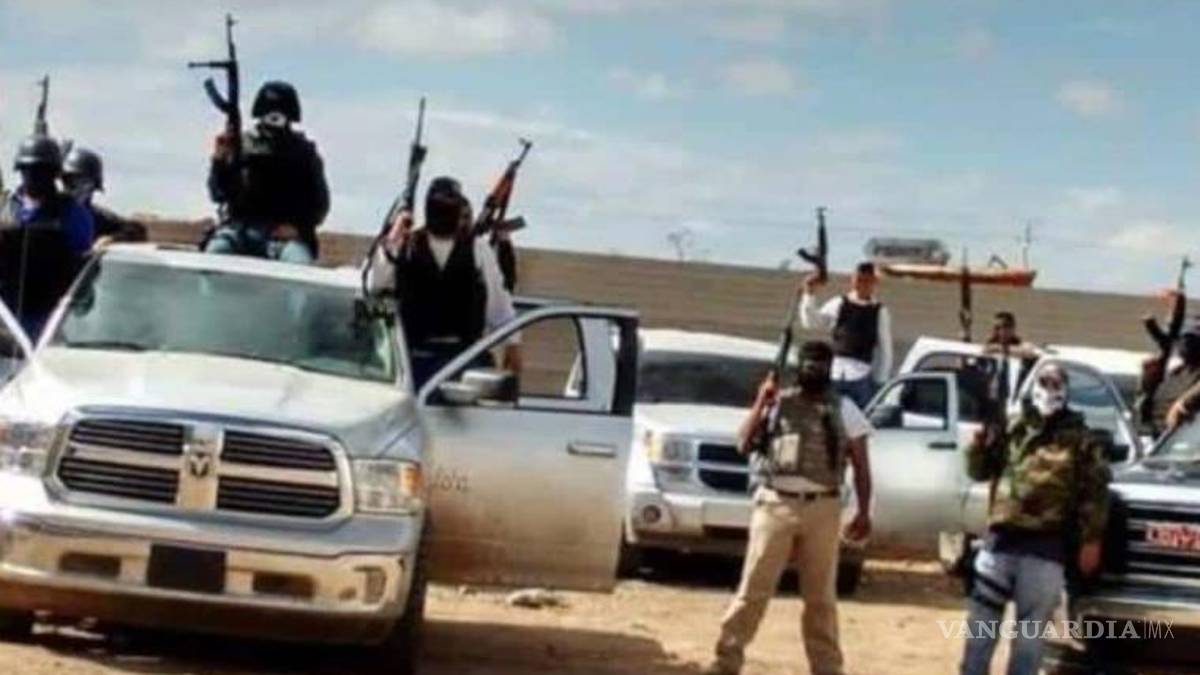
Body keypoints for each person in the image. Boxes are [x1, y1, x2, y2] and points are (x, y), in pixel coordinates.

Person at [705, 340, 873, 675]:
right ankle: (726, 661)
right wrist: (761, 402)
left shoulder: (845, 409)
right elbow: (743, 442)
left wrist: (864, 511)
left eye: (820, 365)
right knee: (753, 590)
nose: (814, 371)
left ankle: (827, 668)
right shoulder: (778, 403)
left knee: (821, 597)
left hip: (823, 507)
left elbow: (861, 465)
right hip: (775, 503)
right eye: (809, 364)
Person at [959, 363, 1110, 675]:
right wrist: (978, 445)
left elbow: (1095, 492)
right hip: (1000, 543)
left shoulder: (1081, 438)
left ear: (1066, 390)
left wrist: (1091, 540)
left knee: (1029, 640)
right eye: (1045, 382)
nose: (1050, 390)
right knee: (980, 632)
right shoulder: (1015, 428)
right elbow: (979, 471)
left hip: (1045, 549)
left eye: (1057, 383)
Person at [369, 176, 520, 389]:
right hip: (413, 360)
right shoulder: (406, 245)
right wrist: (395, 234)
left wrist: (513, 344)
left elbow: (499, 307)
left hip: (464, 361)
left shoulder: (477, 249)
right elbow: (376, 283)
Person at [205, 81, 329, 263]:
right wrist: (219, 161)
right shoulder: (241, 145)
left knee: (299, 264)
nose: (274, 119)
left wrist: (299, 228)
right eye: (270, 114)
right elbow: (218, 194)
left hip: (283, 238)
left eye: (279, 115)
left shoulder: (304, 153)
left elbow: (319, 204)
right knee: (215, 255)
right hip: (239, 230)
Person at [0, 135, 95, 339]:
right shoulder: (6, 209)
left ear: (54, 174)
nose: (34, 177)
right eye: (28, 170)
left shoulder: (71, 213)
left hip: (48, 320)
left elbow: (81, 268)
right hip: (5, 318)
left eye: (42, 171)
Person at [799, 261, 893, 408]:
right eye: (859, 279)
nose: (862, 285)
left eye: (867, 281)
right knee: (831, 416)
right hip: (836, 373)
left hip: (861, 377)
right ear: (853, 280)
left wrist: (880, 381)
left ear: (874, 283)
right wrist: (809, 294)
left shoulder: (879, 311)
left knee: (860, 417)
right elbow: (812, 322)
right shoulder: (839, 303)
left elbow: (885, 349)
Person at [61, 146, 147, 245]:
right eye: (68, 180)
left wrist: (111, 239)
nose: (73, 187)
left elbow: (136, 230)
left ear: (93, 185)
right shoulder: (53, 211)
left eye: (81, 181)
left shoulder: (97, 217)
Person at [1144, 323, 1200, 434]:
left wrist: (1183, 402)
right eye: (1183, 339)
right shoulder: (1176, 371)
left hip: (1179, 435)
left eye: (1192, 340)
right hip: (1153, 431)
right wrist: (1148, 378)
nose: (1185, 344)